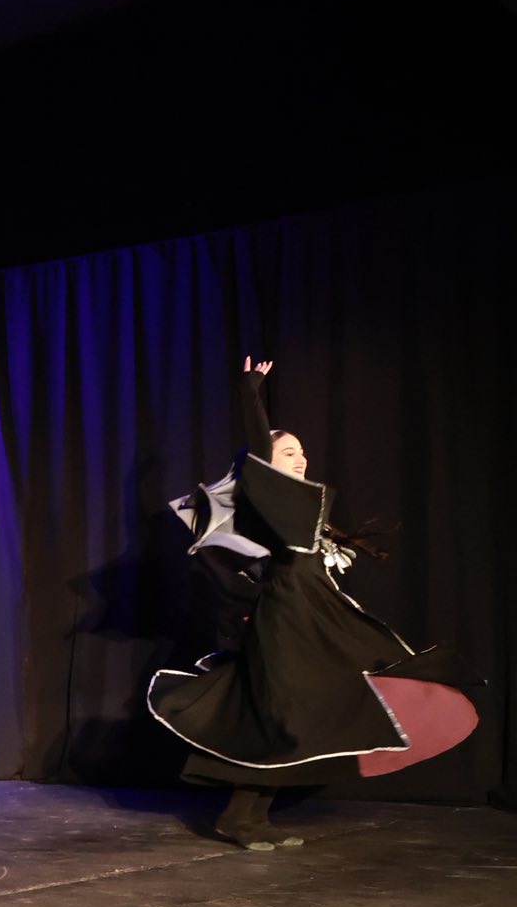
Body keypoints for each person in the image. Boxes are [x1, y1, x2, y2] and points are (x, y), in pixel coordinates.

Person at [147, 358, 478, 849]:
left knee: (303, 719)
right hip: (288, 620)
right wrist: (251, 390)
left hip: (313, 612)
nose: (300, 458)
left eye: (302, 452)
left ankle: (250, 818)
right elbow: (257, 449)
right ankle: (239, 818)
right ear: (266, 460)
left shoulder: (298, 505)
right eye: (289, 451)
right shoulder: (267, 489)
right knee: (287, 718)